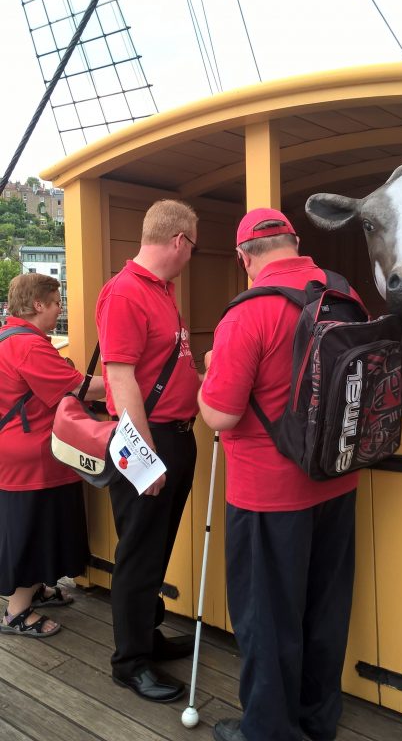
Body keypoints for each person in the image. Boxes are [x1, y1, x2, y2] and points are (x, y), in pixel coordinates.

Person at [198, 208, 360, 741]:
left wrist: (207, 375)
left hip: (268, 495)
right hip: (338, 481)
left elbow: (220, 414)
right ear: (295, 242)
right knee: (325, 610)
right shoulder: (345, 295)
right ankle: (317, 719)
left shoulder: (247, 314)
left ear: (245, 258)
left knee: (267, 620)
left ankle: (268, 731)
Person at [96, 198, 200, 703]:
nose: (191, 255)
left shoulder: (162, 290)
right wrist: (143, 456)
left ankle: (147, 638)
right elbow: (120, 377)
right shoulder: (125, 292)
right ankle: (129, 662)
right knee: (138, 554)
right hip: (149, 439)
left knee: (156, 548)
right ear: (179, 240)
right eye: (193, 245)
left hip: (176, 436)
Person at [0, 273, 105, 638]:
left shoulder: (9, 338)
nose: (61, 307)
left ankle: (36, 591)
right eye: (57, 301)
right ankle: (16, 611)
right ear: (38, 304)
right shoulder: (29, 346)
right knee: (33, 530)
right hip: (32, 458)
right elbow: (79, 387)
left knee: (34, 527)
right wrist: (127, 382)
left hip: (19, 453)